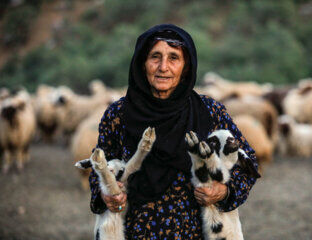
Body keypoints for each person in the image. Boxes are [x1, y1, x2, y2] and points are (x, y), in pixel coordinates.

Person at [89, 24, 259, 239]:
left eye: (173, 58)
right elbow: (99, 166)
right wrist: (106, 194)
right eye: (155, 57)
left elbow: (248, 163)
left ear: (186, 66)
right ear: (142, 64)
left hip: (197, 232)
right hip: (135, 231)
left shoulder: (210, 112)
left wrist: (223, 191)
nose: (163, 67)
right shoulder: (118, 115)